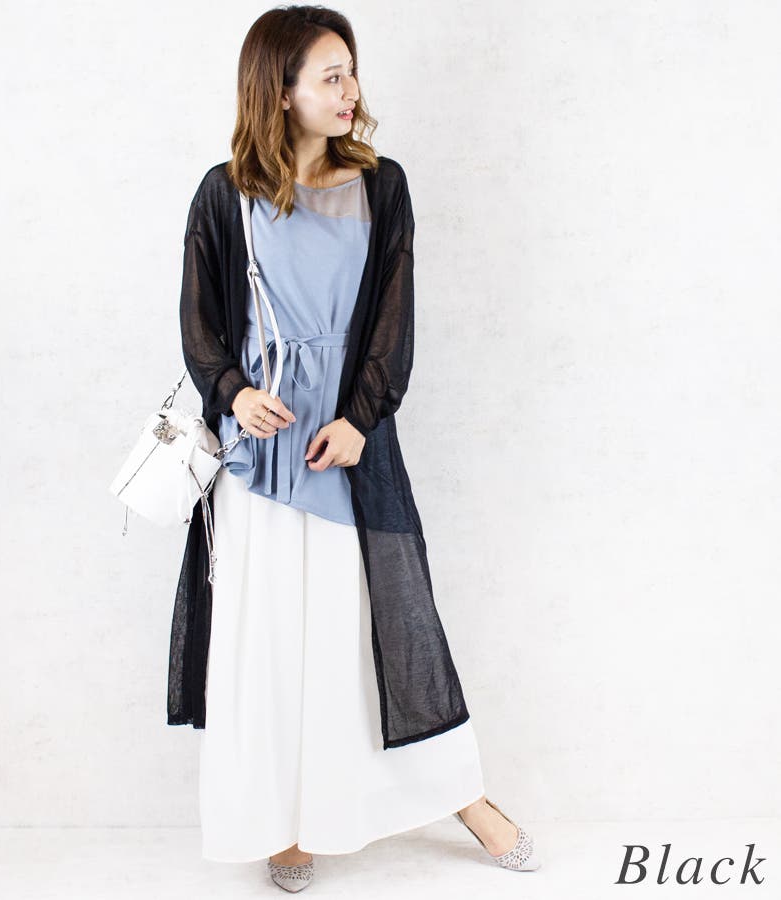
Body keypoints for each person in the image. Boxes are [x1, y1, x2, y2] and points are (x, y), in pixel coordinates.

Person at [172, 5, 542, 891]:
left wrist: (361, 420)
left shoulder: (383, 185)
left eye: (351, 71)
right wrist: (235, 394)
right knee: (270, 643)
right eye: (329, 75)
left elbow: (392, 320)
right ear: (280, 90)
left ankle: (467, 800)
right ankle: (286, 824)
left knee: (382, 633)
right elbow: (200, 324)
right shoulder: (223, 194)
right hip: (259, 456)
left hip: (347, 444)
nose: (350, 90)